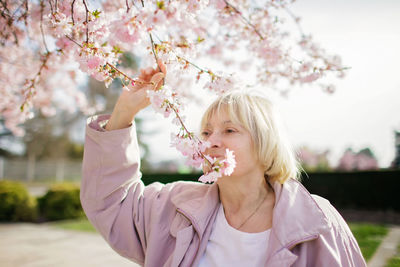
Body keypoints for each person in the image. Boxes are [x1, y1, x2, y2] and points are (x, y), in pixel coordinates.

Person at [80, 62, 367, 267]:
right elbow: (110, 202)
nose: (212, 141)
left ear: (265, 142)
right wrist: (124, 111)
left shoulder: (317, 222)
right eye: (206, 132)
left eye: (230, 131)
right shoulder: (174, 206)